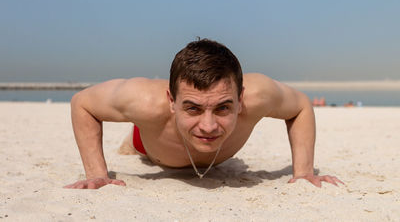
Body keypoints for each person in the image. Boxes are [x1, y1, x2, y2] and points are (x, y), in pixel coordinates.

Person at [64, 39, 343, 189]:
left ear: (241, 98)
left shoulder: (259, 95)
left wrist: (304, 171)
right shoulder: (145, 101)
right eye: (193, 108)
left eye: (223, 107)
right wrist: (97, 174)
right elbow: (82, 103)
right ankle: (133, 139)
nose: (208, 126)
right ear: (171, 100)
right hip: (152, 141)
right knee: (136, 146)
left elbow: (301, 105)